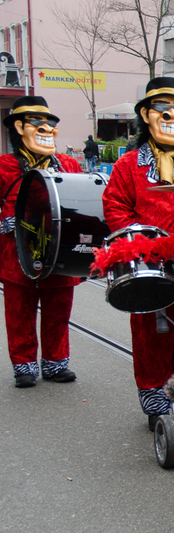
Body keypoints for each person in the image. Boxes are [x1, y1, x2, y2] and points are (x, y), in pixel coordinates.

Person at [103, 77, 174, 428]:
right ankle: (156, 399)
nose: (173, 115)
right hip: (152, 262)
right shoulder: (129, 165)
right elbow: (115, 207)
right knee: (153, 334)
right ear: (146, 115)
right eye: (163, 108)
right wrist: (146, 243)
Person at [0, 96, 82, 387]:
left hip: (59, 252)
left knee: (58, 309)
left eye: (50, 123)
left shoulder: (69, 164)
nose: (47, 129)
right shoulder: (4, 166)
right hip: (16, 253)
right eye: (37, 122)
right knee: (18, 310)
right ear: (19, 128)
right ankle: (23, 365)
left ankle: (55, 363)